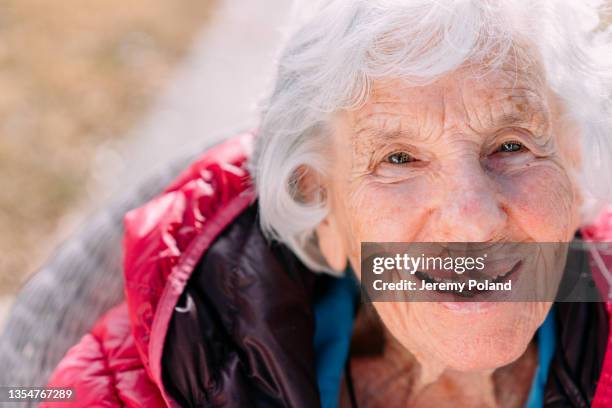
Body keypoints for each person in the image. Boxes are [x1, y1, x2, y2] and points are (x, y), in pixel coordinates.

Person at [42, 0, 612, 406]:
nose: (474, 216)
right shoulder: (170, 371)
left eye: (511, 145)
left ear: (573, 160)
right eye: (398, 159)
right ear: (325, 210)